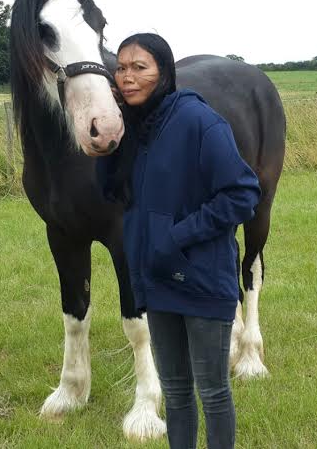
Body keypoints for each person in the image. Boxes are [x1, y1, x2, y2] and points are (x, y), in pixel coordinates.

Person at [97, 33, 261, 449]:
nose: (127, 77)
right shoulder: (138, 127)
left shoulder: (197, 120)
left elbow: (242, 193)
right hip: (156, 277)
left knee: (213, 391)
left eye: (140, 68)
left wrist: (176, 237)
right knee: (174, 391)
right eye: (122, 68)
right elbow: (111, 191)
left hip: (202, 278)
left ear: (164, 73)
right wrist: (111, 136)